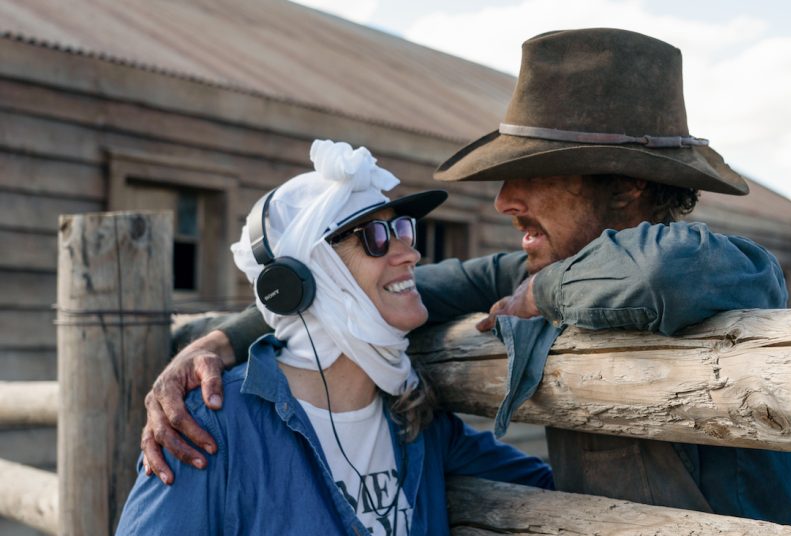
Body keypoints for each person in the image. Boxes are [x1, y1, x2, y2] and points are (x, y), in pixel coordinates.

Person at [141, 28, 791, 527]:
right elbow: (381, 292)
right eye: (382, 235)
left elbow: (655, 279)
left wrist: (539, 296)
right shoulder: (534, 268)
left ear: (628, 187)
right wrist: (222, 342)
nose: (503, 201)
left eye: (535, 175)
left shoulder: (723, 266)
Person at [117, 140, 552, 535]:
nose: (410, 252)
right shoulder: (211, 425)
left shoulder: (418, 423)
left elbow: (561, 494)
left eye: (402, 230)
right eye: (376, 238)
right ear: (302, 277)